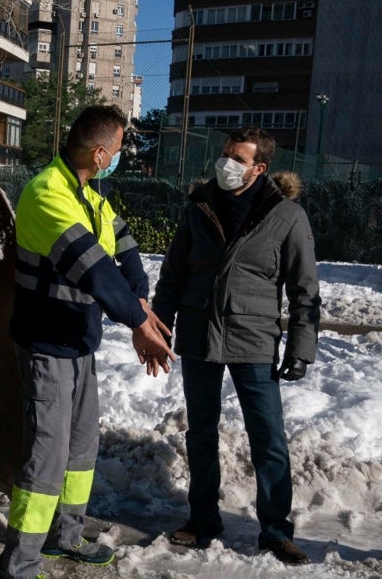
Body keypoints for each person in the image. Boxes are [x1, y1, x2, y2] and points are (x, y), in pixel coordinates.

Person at [0, 105, 175, 579]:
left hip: (79, 341)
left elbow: (125, 244)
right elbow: (94, 268)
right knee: (46, 454)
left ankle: (64, 538)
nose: (119, 158)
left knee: (79, 447)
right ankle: (19, 566)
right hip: (46, 343)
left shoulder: (89, 196)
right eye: (117, 151)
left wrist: (140, 303)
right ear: (100, 153)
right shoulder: (46, 195)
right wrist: (138, 322)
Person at [152, 127, 319, 565]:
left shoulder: (287, 216)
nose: (226, 163)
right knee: (201, 432)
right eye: (226, 154)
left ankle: (276, 531)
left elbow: (304, 289)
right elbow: (172, 275)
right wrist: (158, 327)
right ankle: (203, 517)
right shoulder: (198, 207)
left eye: (237, 158)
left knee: (268, 437)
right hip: (199, 333)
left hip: (254, 338)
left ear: (259, 168)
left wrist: (301, 347)